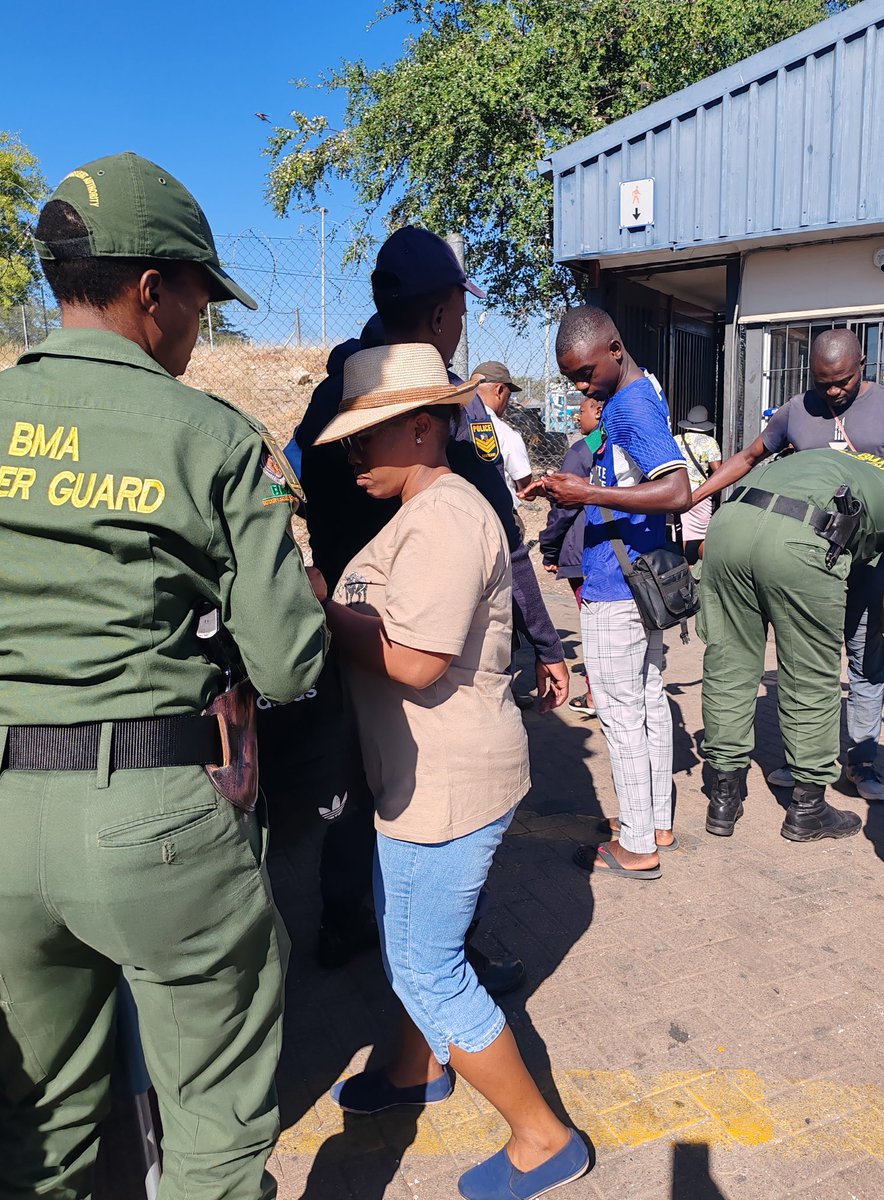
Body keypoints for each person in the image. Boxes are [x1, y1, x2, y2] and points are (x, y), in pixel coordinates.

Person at [0, 153, 328, 1200]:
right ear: (150, 291)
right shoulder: (214, 437)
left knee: (32, 1136)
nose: (201, 325)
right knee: (215, 1130)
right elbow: (288, 660)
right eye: (199, 300)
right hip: (152, 817)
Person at [310, 341, 590, 1200]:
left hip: (447, 784)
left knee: (428, 966)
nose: (355, 455)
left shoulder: (443, 516)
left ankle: (544, 1138)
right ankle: (410, 1067)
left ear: (425, 429)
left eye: (369, 437)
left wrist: (322, 605)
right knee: (407, 939)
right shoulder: (425, 507)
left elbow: (418, 660)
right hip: (422, 779)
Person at [291, 227, 568, 978]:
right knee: (429, 800)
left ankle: (348, 921)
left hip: (347, 630)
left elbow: (297, 497)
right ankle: (442, 960)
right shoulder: (442, 409)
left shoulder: (330, 399)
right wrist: (546, 641)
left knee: (356, 784)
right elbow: (504, 541)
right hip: (419, 648)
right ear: (444, 314)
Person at [522, 305, 690, 878]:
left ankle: (636, 844)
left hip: (617, 586)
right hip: (636, 580)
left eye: (584, 372)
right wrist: (576, 490)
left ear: (615, 349)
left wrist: (587, 496)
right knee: (645, 702)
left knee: (620, 714)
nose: (578, 386)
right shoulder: (643, 392)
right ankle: (654, 820)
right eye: (570, 377)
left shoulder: (630, 404)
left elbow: (677, 491)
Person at [689, 329, 884, 801]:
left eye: (842, 380)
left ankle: (861, 759)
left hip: (868, 556)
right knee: (803, 661)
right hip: (806, 555)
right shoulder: (796, 410)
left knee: (863, 657)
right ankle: (802, 769)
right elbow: (750, 456)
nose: (833, 391)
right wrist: (694, 497)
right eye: (823, 382)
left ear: (863, 364)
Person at [698, 447, 884, 841]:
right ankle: (808, 808)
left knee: (728, 664)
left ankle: (723, 798)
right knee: (810, 676)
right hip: (802, 540)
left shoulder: (825, 461)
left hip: (728, 527)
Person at [539, 394, 605, 716]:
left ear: (598, 410)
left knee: (592, 626)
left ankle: (595, 696)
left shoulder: (582, 451)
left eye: (580, 411)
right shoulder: (620, 444)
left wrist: (549, 549)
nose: (577, 418)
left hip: (584, 555)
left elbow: (563, 510)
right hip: (619, 555)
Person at [471, 359, 533, 506]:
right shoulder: (506, 433)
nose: (507, 401)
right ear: (499, 390)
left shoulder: (454, 425)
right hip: (501, 518)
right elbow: (528, 492)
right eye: (508, 395)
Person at [673, 404, 721, 562]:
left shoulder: (676, 440)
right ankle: (707, 566)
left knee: (682, 531)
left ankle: (681, 565)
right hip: (701, 494)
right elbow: (718, 471)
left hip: (678, 492)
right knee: (702, 533)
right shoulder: (710, 443)